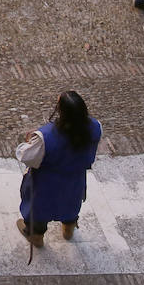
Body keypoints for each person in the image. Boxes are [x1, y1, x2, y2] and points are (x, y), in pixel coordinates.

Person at [16, 91, 101, 247]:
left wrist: (29, 142)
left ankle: (36, 236)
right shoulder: (95, 127)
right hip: (74, 180)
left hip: (46, 183)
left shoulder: (46, 137)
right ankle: (68, 229)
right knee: (71, 204)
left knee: (39, 210)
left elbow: (27, 157)